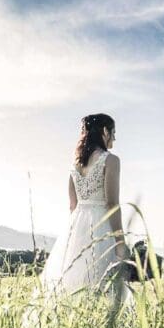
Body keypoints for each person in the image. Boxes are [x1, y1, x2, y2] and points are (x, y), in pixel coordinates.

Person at [38, 113, 130, 300]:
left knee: (76, 280)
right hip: (102, 225)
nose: (114, 137)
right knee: (106, 282)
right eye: (113, 132)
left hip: (78, 226)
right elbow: (112, 203)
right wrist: (120, 241)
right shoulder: (111, 160)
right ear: (105, 131)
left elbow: (73, 205)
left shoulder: (75, 165)